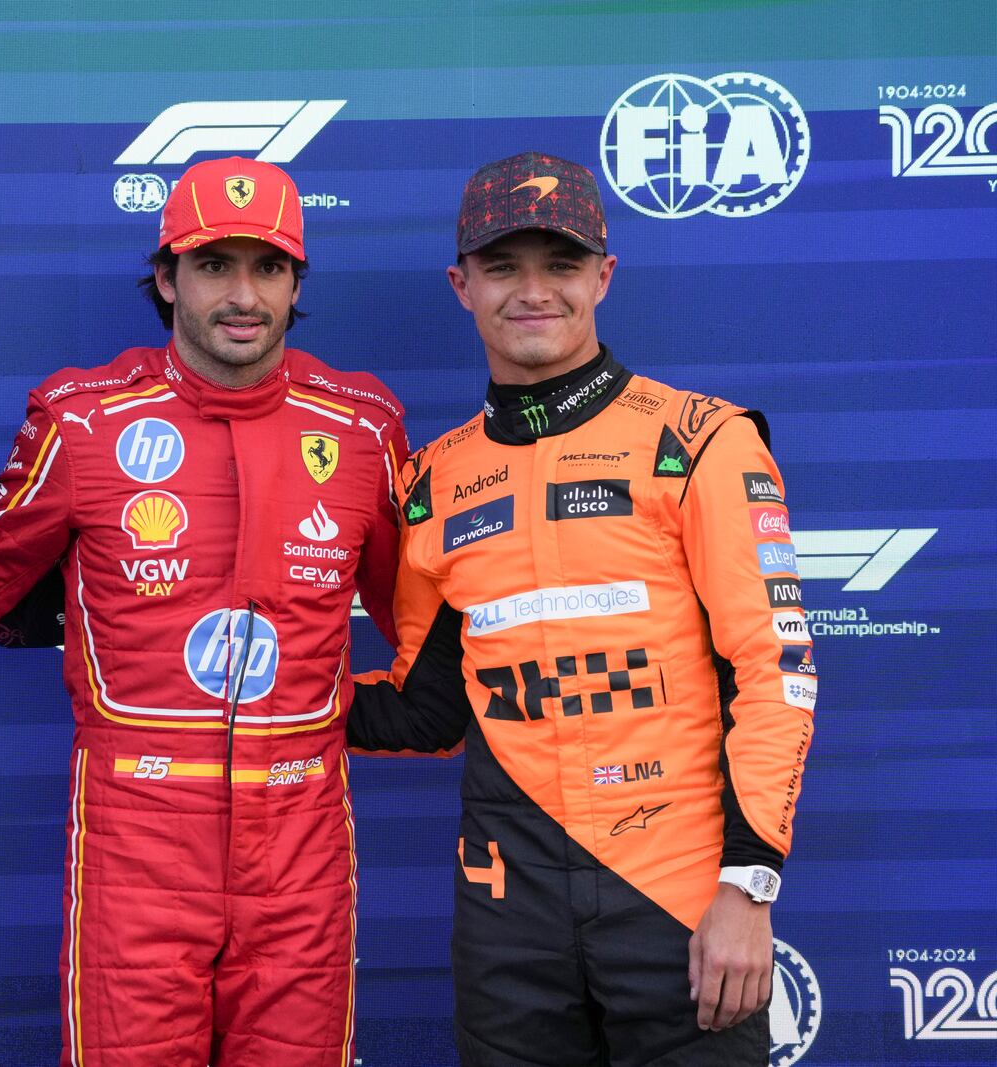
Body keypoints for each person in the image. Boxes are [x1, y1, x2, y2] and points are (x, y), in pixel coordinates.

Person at [0, 156, 407, 1066]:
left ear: (297, 281)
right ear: (164, 277)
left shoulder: (362, 426)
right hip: (136, 835)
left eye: (268, 267)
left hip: (302, 835)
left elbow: (420, 621)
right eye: (213, 265)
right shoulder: (83, 420)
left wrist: (397, 712)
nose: (243, 294)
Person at [346, 151, 815, 1066]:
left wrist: (748, 888)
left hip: (678, 898)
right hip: (507, 915)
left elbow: (775, 672)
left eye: (560, 264)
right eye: (503, 265)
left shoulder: (701, 440)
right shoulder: (432, 483)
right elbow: (433, 706)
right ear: (461, 284)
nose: (533, 291)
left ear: (603, 275)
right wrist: (261, 700)